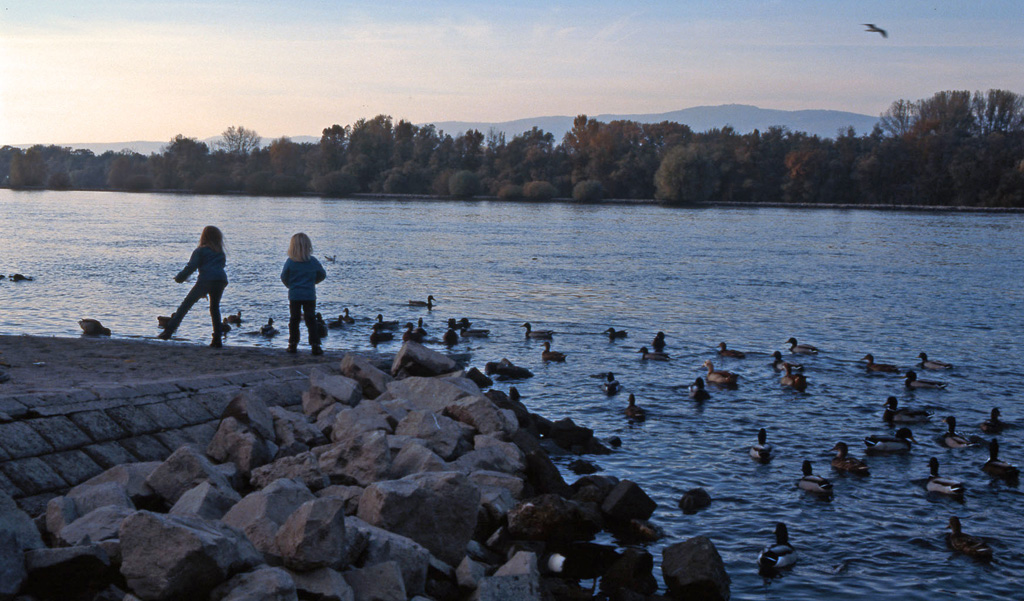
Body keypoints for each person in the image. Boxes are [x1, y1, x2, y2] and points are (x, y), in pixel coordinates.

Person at [158, 226, 228, 347]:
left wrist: (179, 278)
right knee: (215, 309)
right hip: (220, 280)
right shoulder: (220, 252)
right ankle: (217, 338)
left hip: (205, 280)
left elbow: (191, 267)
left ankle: (168, 332)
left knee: (185, 306)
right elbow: (221, 265)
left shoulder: (200, 251)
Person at [280, 232, 327, 355]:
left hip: (295, 294)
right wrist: (312, 282)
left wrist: (290, 286)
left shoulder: (290, 262)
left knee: (294, 319)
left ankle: (293, 344)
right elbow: (322, 275)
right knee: (310, 319)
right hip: (309, 295)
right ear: (308, 246)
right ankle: (315, 345)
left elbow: (284, 276)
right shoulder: (313, 261)